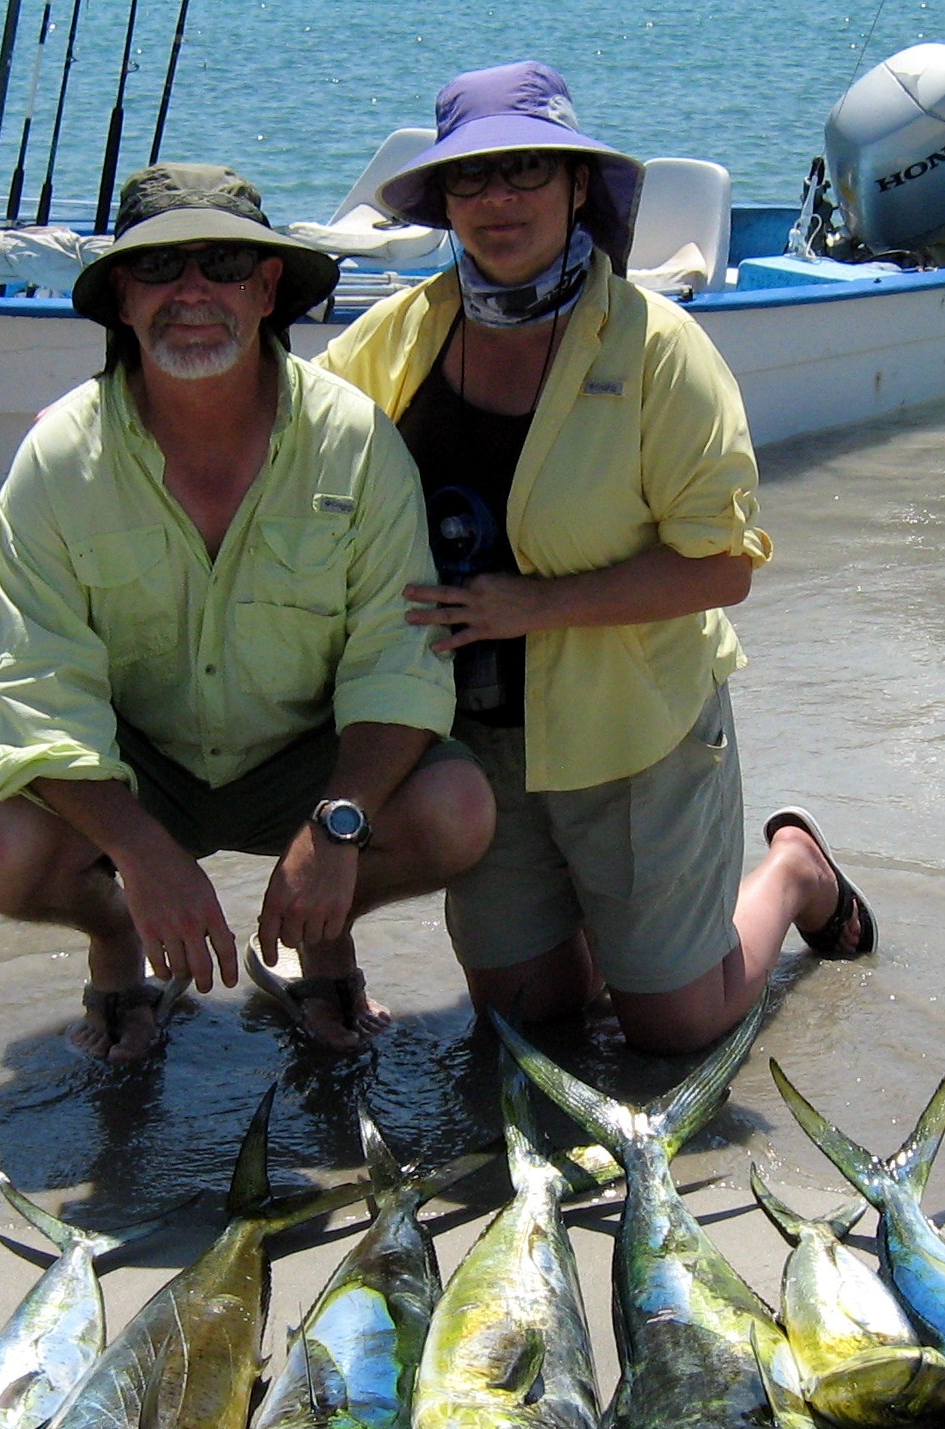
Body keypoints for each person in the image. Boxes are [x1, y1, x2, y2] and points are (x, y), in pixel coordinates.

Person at [318, 62, 877, 1056]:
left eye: (526, 170)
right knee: (527, 1027)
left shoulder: (659, 350)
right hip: (476, 736)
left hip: (634, 727)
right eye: (470, 175)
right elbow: (288, 464)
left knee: (674, 1026)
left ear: (579, 186)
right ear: (441, 198)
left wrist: (532, 606)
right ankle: (600, 929)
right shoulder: (389, 344)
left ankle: (794, 870)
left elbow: (722, 570)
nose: (498, 198)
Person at [0, 164, 494, 1063]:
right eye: (159, 267)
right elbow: (31, 692)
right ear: (121, 297)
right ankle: (121, 939)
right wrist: (139, 853)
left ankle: (318, 934)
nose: (192, 291)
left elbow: (399, 663)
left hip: (305, 761)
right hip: (138, 768)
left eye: (224, 264)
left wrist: (336, 824)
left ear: (268, 287)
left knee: (458, 806)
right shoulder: (56, 458)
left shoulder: (355, 441)